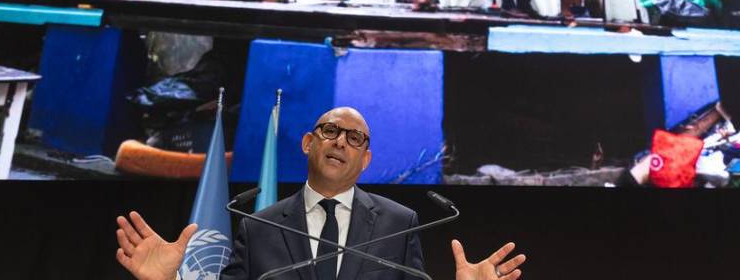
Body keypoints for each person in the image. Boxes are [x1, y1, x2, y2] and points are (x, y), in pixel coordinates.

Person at [116, 107, 526, 280]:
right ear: (308, 143)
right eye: (330, 131)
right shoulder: (259, 226)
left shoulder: (399, 224)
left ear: (365, 160)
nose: (341, 142)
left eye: (355, 138)